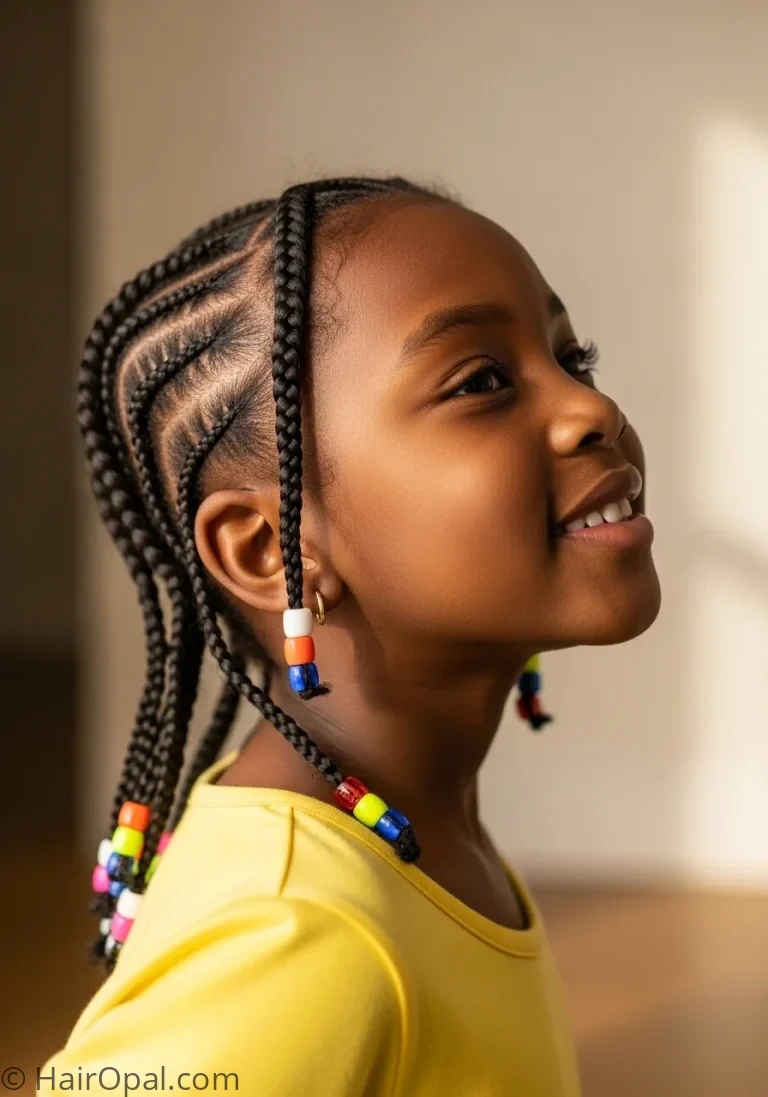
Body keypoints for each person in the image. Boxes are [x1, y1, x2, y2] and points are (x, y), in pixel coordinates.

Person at [43, 177, 660, 1096]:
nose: (590, 409)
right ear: (270, 549)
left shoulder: (416, 829)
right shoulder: (296, 933)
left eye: (576, 358)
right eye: (482, 381)